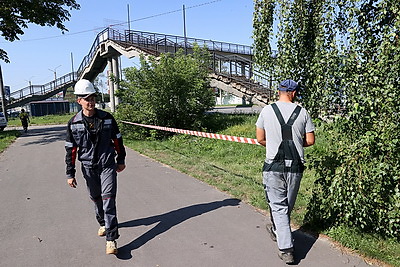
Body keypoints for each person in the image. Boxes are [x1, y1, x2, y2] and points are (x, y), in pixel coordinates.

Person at [255, 79, 315, 264]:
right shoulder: (303, 112)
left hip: (273, 166)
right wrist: (297, 143)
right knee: (285, 206)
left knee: (279, 207)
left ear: (279, 91)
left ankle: (286, 249)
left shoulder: (267, 110)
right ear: (294, 93)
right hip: (295, 167)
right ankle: (279, 232)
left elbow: (260, 138)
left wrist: (272, 143)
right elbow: (310, 140)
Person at [65, 79, 126, 255]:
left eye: (92, 98)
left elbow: (117, 140)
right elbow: (71, 150)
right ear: (79, 101)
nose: (90, 101)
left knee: (108, 199)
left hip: (107, 164)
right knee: (96, 198)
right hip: (88, 167)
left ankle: (111, 239)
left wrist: (120, 159)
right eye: (86, 98)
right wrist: (70, 173)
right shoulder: (73, 123)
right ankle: (102, 223)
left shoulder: (107, 118)